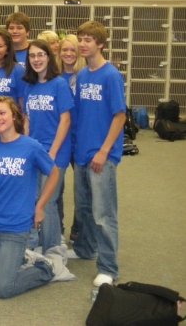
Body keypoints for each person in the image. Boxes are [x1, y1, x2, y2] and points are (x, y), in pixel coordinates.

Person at [0, 97, 67, 299]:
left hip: (15, 228)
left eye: (2, 113)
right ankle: (16, 259)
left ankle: (45, 267)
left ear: (14, 116)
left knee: (3, 288)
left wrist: (40, 206)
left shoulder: (31, 146)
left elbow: (54, 173)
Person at [68, 21, 126, 288]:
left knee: (104, 214)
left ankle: (108, 267)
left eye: (88, 40)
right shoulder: (82, 75)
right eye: (80, 39)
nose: (82, 44)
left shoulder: (110, 75)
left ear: (100, 44)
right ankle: (85, 249)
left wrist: (104, 151)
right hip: (82, 153)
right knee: (84, 209)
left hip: (102, 154)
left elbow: (119, 116)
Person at [23, 40, 73, 252]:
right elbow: (26, 118)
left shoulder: (59, 84)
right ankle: (38, 244)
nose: (36, 60)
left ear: (48, 57)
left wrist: (52, 151)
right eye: (32, 56)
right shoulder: (29, 85)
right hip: (35, 149)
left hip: (55, 152)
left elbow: (65, 120)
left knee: (48, 201)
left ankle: (53, 250)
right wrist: (25, 145)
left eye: (40, 55)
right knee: (35, 198)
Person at [58, 34, 86, 242]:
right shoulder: (54, 77)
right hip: (59, 139)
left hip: (81, 140)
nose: (68, 54)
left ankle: (78, 231)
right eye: (64, 50)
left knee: (82, 192)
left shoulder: (85, 76)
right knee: (55, 189)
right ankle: (56, 230)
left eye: (72, 50)